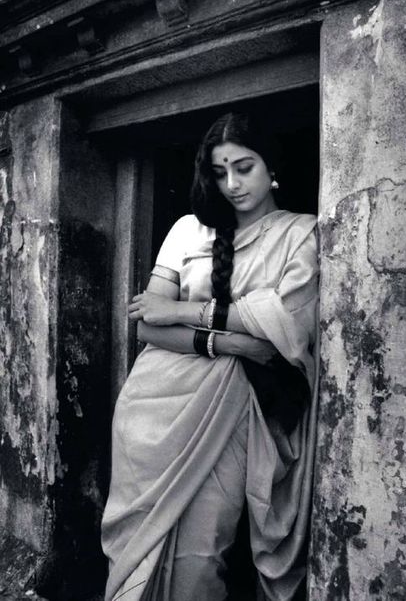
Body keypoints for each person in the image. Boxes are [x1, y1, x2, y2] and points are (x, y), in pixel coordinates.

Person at [101, 112, 319, 601]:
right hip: (151, 409)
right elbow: (146, 328)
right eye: (220, 172)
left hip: (232, 408)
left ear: (271, 166)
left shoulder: (301, 233)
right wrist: (233, 341)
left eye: (244, 167)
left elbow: (285, 326)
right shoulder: (186, 230)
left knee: (202, 552)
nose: (232, 184)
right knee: (137, 549)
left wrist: (182, 309)